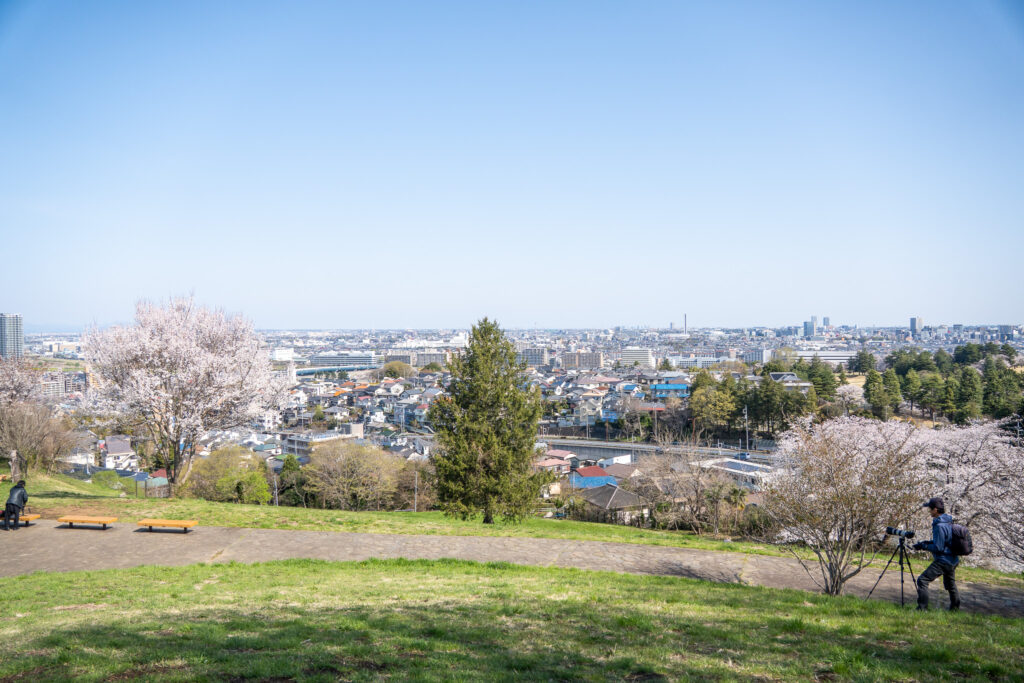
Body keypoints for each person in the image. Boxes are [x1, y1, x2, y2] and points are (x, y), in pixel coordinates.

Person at [912, 496, 960, 612]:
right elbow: (943, 542)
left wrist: (923, 546)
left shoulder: (939, 525)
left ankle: (922, 609)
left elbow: (938, 547)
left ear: (935, 510)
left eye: (930, 509)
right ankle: (955, 609)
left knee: (922, 580)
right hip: (953, 559)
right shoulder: (948, 521)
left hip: (943, 560)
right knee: (950, 584)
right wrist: (926, 543)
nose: (929, 511)